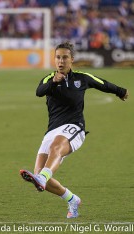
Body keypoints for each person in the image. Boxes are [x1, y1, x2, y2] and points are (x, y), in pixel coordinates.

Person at [19, 42, 129, 219]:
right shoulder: (49, 79)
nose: (60, 61)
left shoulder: (82, 78)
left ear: (72, 59)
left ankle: (42, 177)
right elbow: (39, 91)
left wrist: (120, 91)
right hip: (52, 130)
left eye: (64, 57)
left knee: (53, 152)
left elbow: (102, 83)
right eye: (58, 57)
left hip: (74, 127)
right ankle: (72, 199)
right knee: (41, 178)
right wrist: (54, 82)